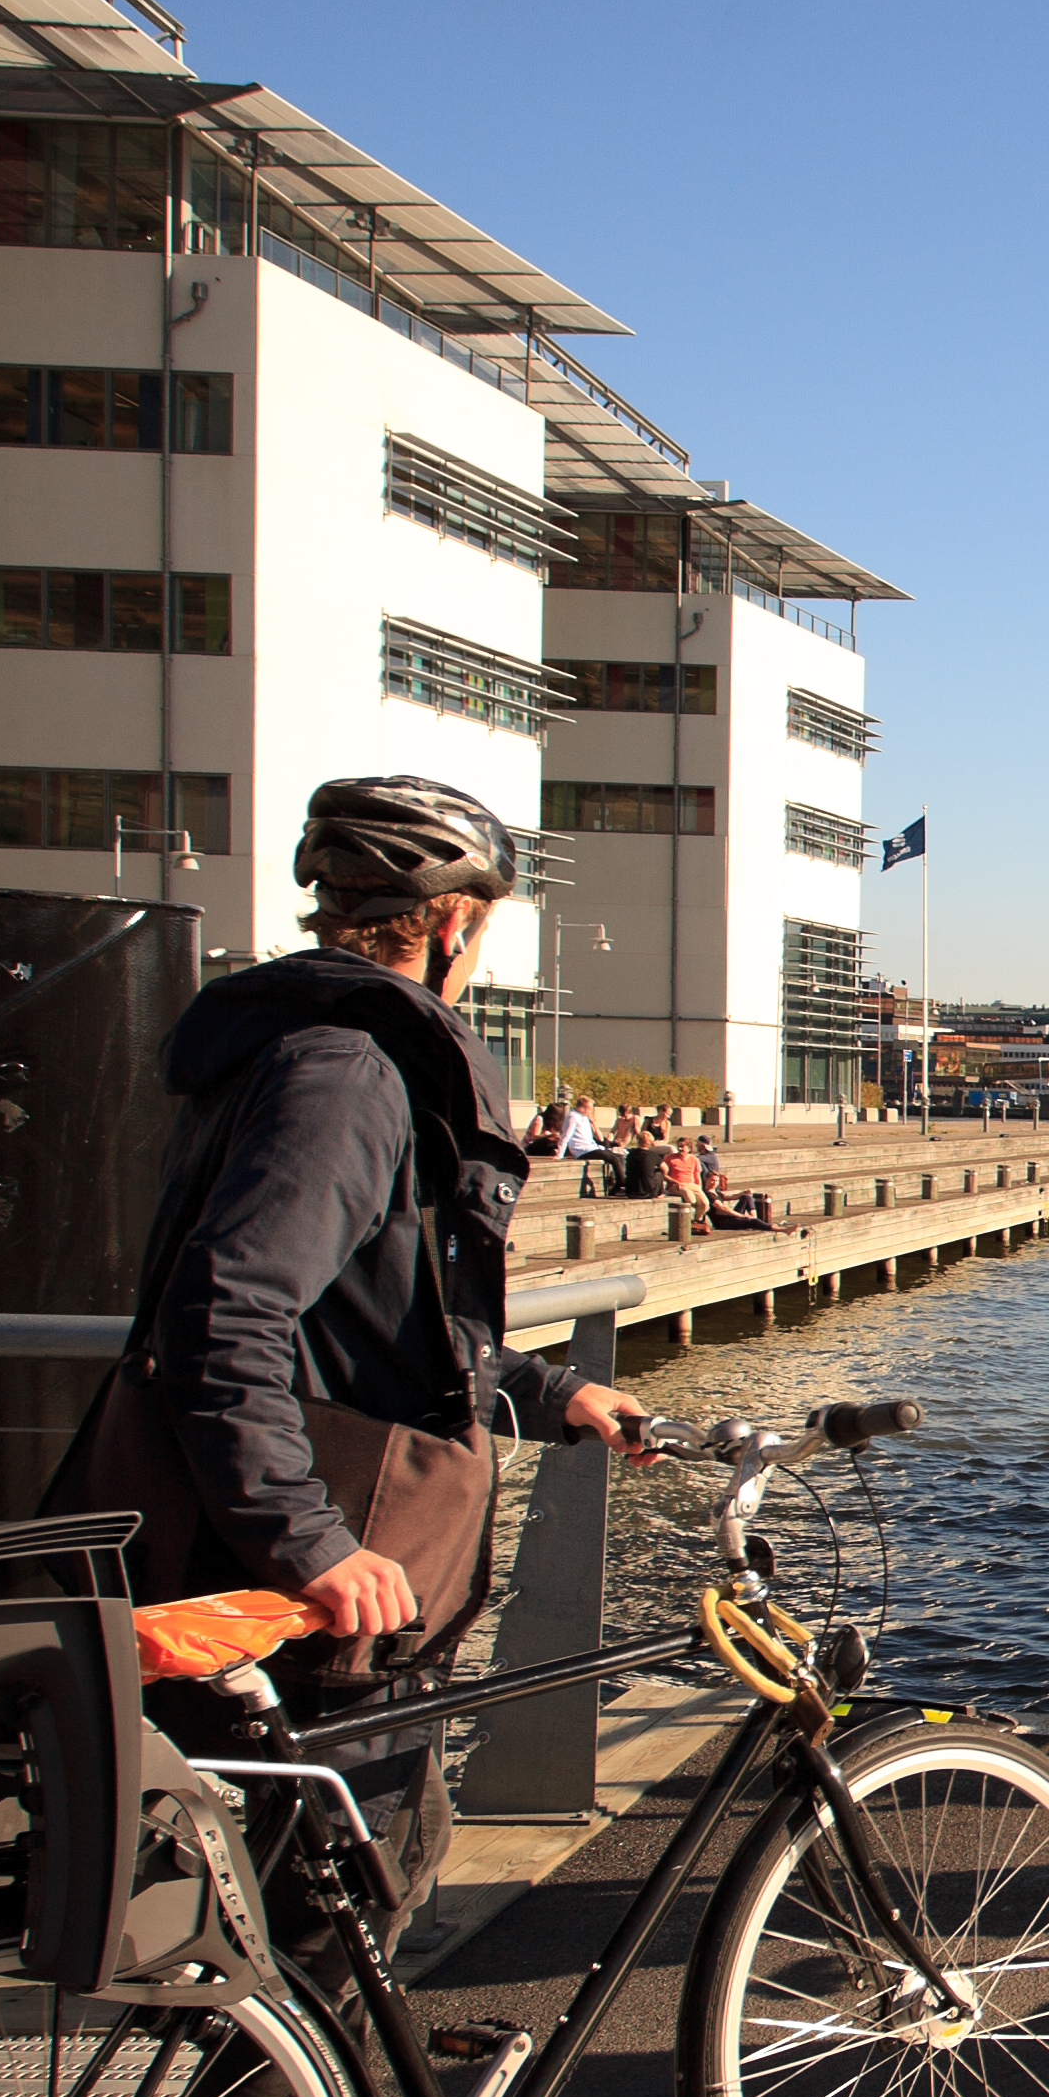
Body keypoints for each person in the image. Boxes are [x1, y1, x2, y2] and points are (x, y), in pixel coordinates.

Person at [70, 772, 661, 1906]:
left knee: (332, 1876)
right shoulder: (349, 1071)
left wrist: (548, 1393)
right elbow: (226, 1312)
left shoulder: (291, 1045)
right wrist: (310, 1542)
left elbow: (369, 1316)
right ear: (454, 923)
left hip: (286, 1541)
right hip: (327, 1579)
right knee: (337, 1891)